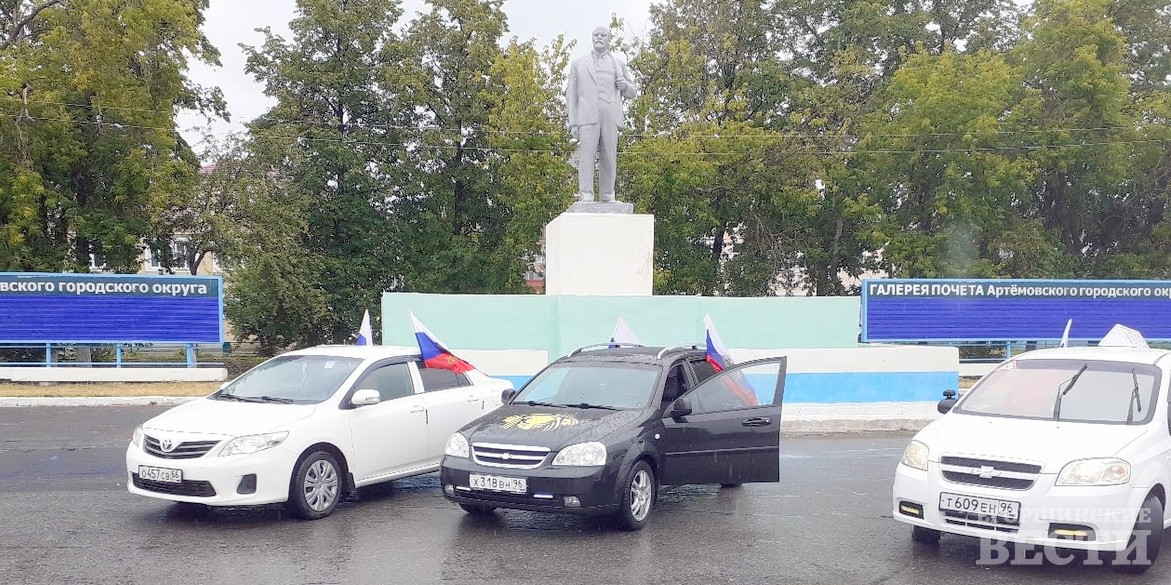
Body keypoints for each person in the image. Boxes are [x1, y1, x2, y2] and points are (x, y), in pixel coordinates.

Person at [566, 26, 638, 203]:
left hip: (610, 115)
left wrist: (625, 87)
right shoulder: (578, 64)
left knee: (609, 156)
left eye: (603, 35)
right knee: (586, 157)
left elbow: (632, 92)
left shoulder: (618, 64)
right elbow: (571, 94)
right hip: (586, 115)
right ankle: (586, 194)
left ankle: (608, 195)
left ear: (609, 39)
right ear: (592, 38)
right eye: (596, 35)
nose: (599, 38)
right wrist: (573, 122)